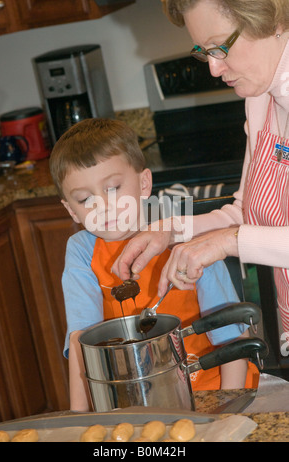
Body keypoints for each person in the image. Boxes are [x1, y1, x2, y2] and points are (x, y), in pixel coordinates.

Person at [112, 0, 289, 341]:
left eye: (220, 46)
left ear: (275, 22)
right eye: (203, 51)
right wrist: (170, 230)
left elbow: (238, 235)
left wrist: (226, 243)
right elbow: (247, 214)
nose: (213, 67)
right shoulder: (259, 99)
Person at [49, 118, 257, 411]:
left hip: (214, 387)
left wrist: (227, 409)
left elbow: (231, 334)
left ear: (144, 182)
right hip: (139, 401)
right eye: (85, 199)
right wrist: (79, 418)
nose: (103, 207)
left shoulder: (187, 237)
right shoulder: (82, 250)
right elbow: (83, 342)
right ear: (71, 209)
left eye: (113, 188)